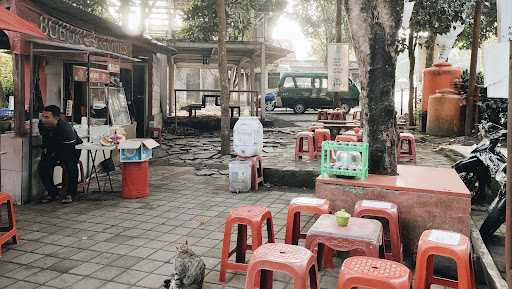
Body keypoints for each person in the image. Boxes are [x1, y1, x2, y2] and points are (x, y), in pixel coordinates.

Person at [38, 105, 82, 204]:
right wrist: (47, 154)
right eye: (43, 117)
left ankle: (71, 193)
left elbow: (68, 150)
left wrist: (58, 158)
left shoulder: (65, 129)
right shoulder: (42, 124)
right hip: (54, 147)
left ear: (57, 118)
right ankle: (52, 193)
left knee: (70, 166)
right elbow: (46, 140)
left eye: (47, 117)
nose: (44, 120)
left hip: (72, 148)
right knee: (42, 167)